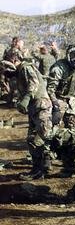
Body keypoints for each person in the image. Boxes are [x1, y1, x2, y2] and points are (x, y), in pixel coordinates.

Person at [2, 52, 53, 180]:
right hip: (34, 107)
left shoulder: (25, 67)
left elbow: (34, 83)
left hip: (41, 105)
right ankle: (37, 169)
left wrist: (26, 99)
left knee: (46, 135)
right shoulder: (20, 70)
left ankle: (57, 163)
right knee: (32, 139)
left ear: (14, 60)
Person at [47, 46, 75, 177]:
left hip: (72, 101)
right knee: (51, 133)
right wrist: (56, 107)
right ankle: (45, 164)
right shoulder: (58, 68)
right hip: (58, 100)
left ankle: (71, 166)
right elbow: (50, 89)